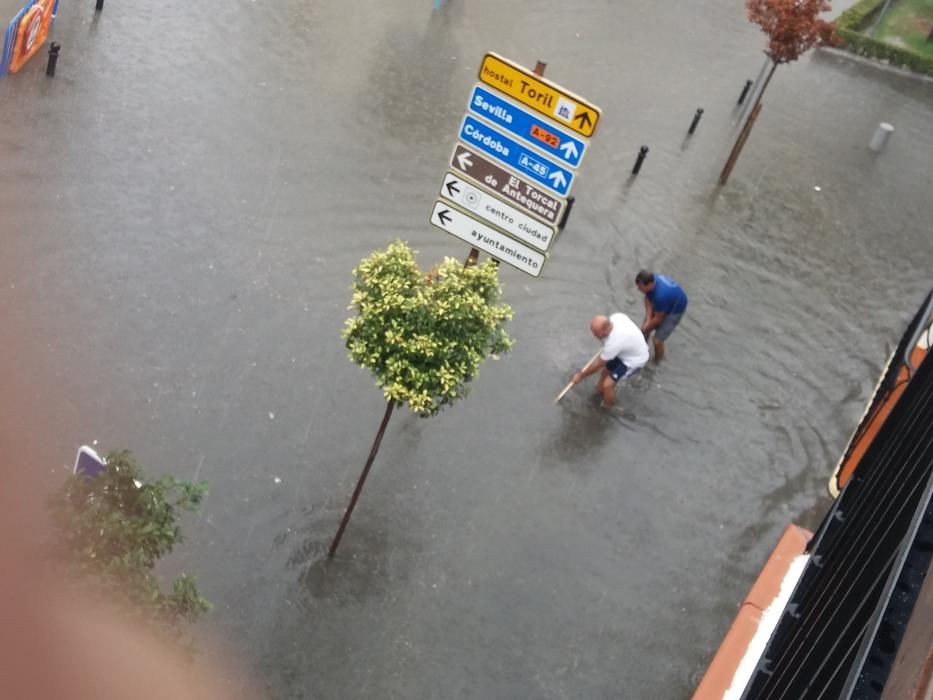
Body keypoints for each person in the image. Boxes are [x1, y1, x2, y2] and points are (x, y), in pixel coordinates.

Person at [572, 313, 650, 407]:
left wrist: (581, 375)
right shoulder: (616, 317)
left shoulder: (614, 343)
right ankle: (598, 393)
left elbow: (597, 365)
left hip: (634, 360)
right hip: (625, 350)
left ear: (606, 330)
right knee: (605, 372)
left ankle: (607, 407)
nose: (593, 335)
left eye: (596, 333)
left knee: (608, 385)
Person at [635, 270, 688, 363]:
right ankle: (640, 352)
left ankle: (657, 361)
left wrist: (647, 326)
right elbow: (648, 298)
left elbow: (658, 319)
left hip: (675, 310)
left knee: (657, 340)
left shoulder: (661, 296)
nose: (639, 290)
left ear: (650, 284)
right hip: (666, 300)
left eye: (640, 288)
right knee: (645, 329)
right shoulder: (650, 278)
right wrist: (647, 320)